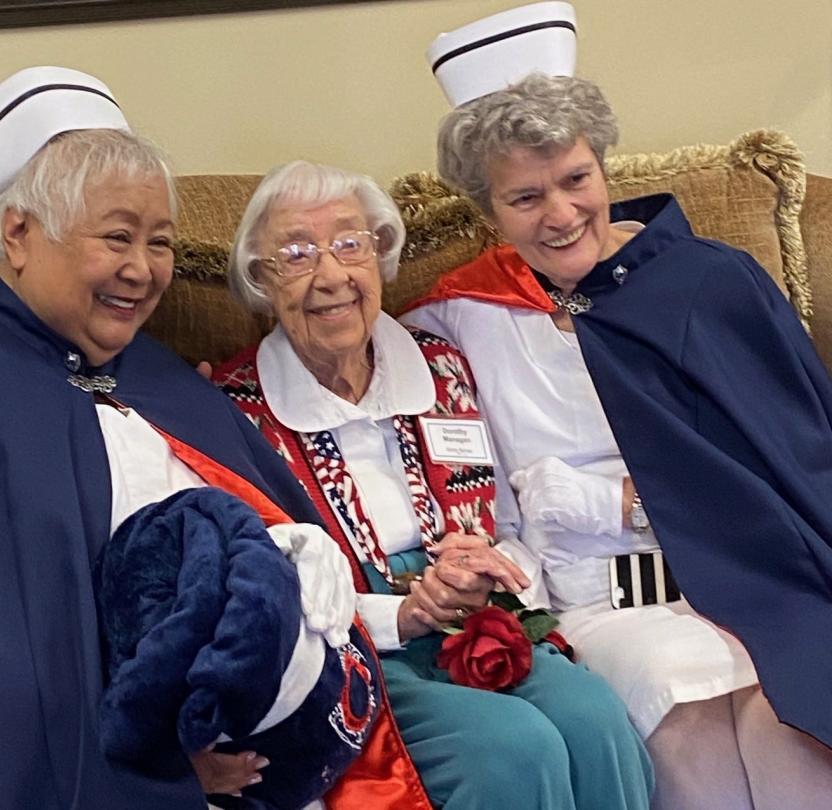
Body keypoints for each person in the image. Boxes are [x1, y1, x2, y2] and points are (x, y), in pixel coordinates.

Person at [0, 67, 423, 810]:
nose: (142, 270)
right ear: (19, 234)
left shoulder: (153, 371)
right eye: (116, 238)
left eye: (159, 241)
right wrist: (153, 769)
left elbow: (271, 510)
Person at [404, 5, 832, 808]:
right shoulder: (456, 324)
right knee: (689, 699)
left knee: (794, 715)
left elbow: (799, 452)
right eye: (525, 197)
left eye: (576, 180)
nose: (562, 216)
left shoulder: (709, 281)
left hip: (754, 577)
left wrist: (632, 501)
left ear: (604, 166)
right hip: (606, 600)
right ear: (487, 210)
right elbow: (445, 474)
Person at [213, 158, 654, 810]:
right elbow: (265, 593)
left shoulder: (442, 365)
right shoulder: (237, 412)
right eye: (297, 254)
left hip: (483, 623)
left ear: (380, 257)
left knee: (595, 721)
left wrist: (492, 566)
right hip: (352, 648)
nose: (331, 275)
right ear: (260, 280)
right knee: (511, 750)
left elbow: (509, 526)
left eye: (348, 244)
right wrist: (406, 612)